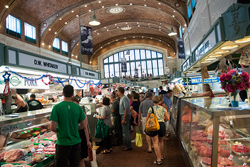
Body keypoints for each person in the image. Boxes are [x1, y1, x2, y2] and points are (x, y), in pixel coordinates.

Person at [50, 85, 91, 167]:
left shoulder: (56, 107)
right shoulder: (78, 108)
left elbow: (53, 128)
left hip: (62, 143)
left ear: (62, 93)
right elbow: (84, 125)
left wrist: (61, 129)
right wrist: (74, 127)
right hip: (76, 142)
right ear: (73, 94)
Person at [146, 96, 169, 165]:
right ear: (160, 101)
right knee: (161, 141)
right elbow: (167, 118)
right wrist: (163, 120)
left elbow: (147, 118)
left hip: (154, 126)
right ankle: (161, 156)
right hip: (161, 125)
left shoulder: (151, 109)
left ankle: (158, 159)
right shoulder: (163, 108)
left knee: (155, 142)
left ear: (153, 101)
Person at [71, 97, 91, 167]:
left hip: (81, 137)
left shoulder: (81, 112)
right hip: (73, 138)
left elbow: (85, 127)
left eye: (76, 104)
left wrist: (88, 141)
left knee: (81, 159)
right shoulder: (70, 114)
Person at [117, 87, 132, 151]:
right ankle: (127, 145)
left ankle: (128, 146)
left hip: (125, 116)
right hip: (124, 115)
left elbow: (126, 109)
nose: (117, 92)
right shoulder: (123, 98)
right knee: (125, 131)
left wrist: (124, 119)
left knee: (125, 132)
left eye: (117, 91)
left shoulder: (124, 98)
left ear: (120, 92)